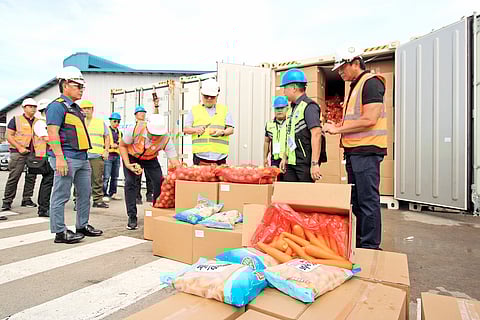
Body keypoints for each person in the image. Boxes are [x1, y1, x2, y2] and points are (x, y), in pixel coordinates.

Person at [323, 47, 387, 249]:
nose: (340, 72)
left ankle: (370, 247)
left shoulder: (370, 83)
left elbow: (370, 119)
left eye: (343, 68)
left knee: (367, 201)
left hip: (367, 151)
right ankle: (361, 244)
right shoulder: (356, 86)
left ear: (355, 62)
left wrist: (338, 129)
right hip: (355, 152)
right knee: (358, 202)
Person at [46, 66, 103, 244]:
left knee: (85, 194)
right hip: (67, 158)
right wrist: (60, 158)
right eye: (77, 86)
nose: (81, 90)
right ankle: (60, 232)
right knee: (61, 195)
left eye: (82, 87)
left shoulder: (76, 108)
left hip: (82, 158)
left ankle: (82, 225)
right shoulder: (56, 106)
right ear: (65, 85)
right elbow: (53, 133)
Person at [119, 114, 181, 230]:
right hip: (132, 156)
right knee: (130, 183)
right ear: (147, 128)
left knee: (159, 181)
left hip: (150, 158)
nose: (154, 138)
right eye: (152, 134)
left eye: (157, 135)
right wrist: (128, 164)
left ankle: (156, 210)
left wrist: (181, 172)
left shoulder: (166, 139)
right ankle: (132, 216)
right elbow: (122, 146)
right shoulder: (134, 129)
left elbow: (174, 161)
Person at [279, 68, 327, 182]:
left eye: (285, 88)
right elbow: (290, 134)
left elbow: (316, 134)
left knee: (305, 198)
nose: (283, 92)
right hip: (291, 162)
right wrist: (285, 157)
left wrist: (315, 163)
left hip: (304, 164)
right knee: (290, 196)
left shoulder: (309, 106)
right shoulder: (292, 108)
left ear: (294, 88)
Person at [1, 98, 39, 214]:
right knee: (14, 176)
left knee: (31, 177)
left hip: (33, 153)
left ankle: (26, 199)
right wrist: (20, 147)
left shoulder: (38, 121)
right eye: (30, 106)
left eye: (34, 107)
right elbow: (9, 135)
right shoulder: (16, 120)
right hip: (18, 152)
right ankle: (7, 201)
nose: (32, 108)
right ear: (24, 107)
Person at [183, 79, 234, 165]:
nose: (209, 99)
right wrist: (195, 130)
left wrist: (222, 132)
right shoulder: (194, 110)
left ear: (217, 96)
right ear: (202, 95)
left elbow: (231, 129)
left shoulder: (224, 110)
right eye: (206, 96)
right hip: (200, 157)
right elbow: (186, 129)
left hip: (220, 157)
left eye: (212, 96)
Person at [76, 100, 110, 209]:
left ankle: (98, 200)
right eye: (84, 109)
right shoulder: (77, 122)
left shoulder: (100, 122)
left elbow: (107, 136)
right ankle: (78, 201)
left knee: (97, 178)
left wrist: (106, 150)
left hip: (96, 155)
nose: (86, 111)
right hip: (81, 155)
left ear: (92, 110)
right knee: (79, 180)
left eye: (88, 108)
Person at [33, 99, 55, 217]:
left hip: (49, 155)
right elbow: (46, 138)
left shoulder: (47, 122)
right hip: (44, 157)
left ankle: (45, 206)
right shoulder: (40, 123)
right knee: (47, 181)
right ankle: (43, 208)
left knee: (49, 181)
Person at [264, 96, 289, 181]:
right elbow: (267, 142)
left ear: (287, 108)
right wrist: (265, 158)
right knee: (276, 183)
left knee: (287, 183)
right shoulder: (269, 125)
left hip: (288, 159)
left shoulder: (290, 123)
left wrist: (286, 158)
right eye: (277, 108)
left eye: (282, 108)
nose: (279, 111)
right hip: (275, 159)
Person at [133, 105, 153, 204]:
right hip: (138, 155)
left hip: (148, 154)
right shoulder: (134, 127)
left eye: (144, 112)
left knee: (149, 177)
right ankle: (137, 197)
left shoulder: (148, 125)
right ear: (136, 115)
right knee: (137, 177)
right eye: (140, 112)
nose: (143, 114)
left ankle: (150, 195)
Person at [103, 112, 122, 202]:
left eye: (118, 122)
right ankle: (104, 194)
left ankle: (113, 193)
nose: (116, 123)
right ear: (110, 121)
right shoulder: (107, 131)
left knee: (115, 176)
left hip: (116, 156)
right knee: (106, 176)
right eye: (115, 121)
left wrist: (117, 145)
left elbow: (121, 143)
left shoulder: (119, 132)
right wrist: (111, 146)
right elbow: (104, 142)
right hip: (109, 156)